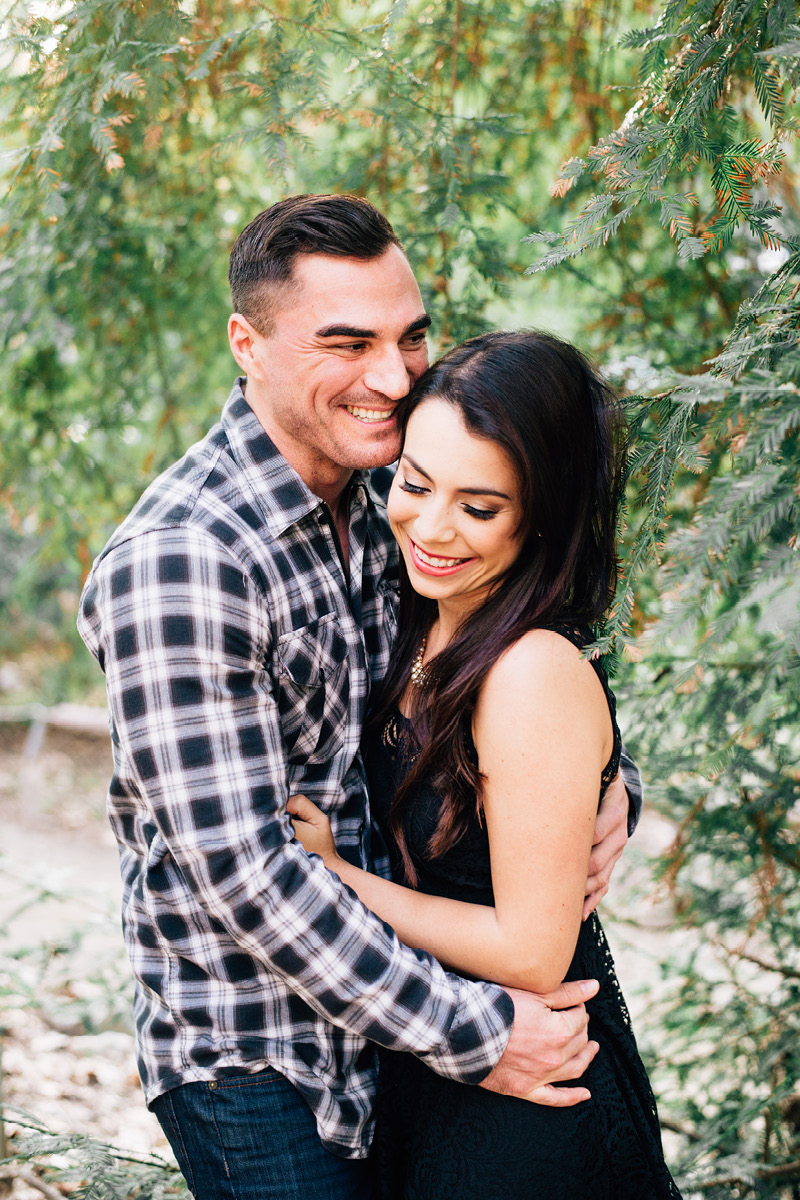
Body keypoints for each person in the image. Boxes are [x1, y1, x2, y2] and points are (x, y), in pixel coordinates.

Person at [77, 195, 640, 1199]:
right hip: (260, 1056)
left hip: (398, 1048)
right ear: (245, 342)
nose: (391, 375)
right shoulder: (184, 562)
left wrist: (606, 784)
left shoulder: (390, 507)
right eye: (347, 342)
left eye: (410, 336)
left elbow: (509, 664)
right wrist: (477, 1036)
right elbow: (248, 874)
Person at [290, 331, 682, 1198]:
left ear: (540, 512)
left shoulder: (532, 669)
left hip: (532, 1099)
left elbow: (536, 950)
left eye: (479, 507)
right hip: (439, 1065)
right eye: (416, 484)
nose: (430, 528)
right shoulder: (416, 618)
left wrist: (335, 878)